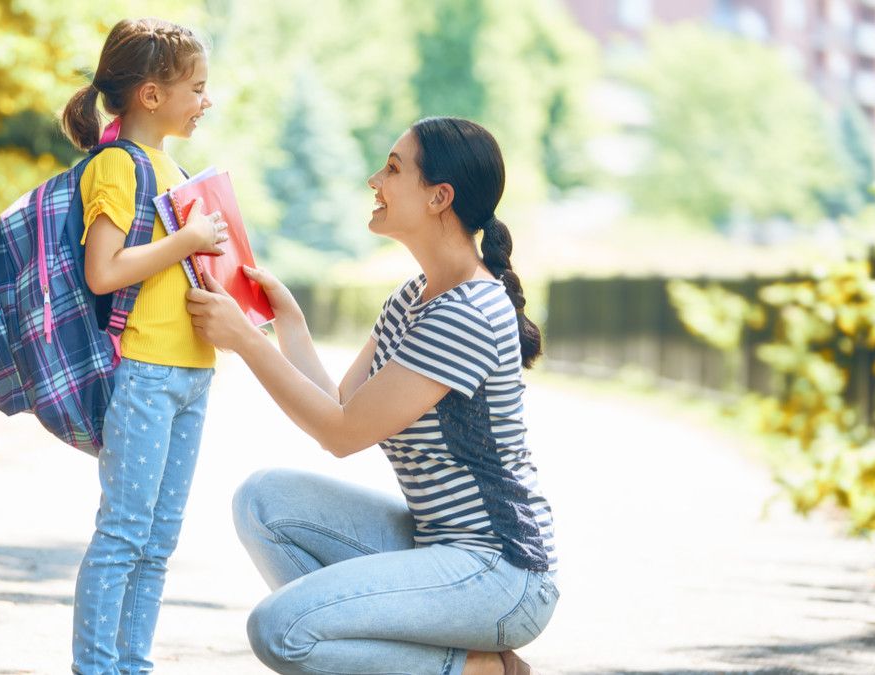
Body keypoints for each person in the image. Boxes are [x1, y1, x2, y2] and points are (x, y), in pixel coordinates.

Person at [186, 117, 558, 675]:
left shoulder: (469, 313)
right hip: (435, 546)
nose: (374, 180)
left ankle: (479, 669)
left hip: (500, 573)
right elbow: (340, 405)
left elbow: (342, 435)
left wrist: (244, 341)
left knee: (281, 629)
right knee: (262, 501)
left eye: (392, 168)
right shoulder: (413, 298)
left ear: (439, 197)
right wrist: (288, 325)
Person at [58, 17, 229, 675]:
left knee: (158, 541)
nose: (206, 100)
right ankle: (97, 667)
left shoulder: (174, 168)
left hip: (192, 371)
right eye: (198, 87)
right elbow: (104, 271)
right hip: (145, 371)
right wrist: (187, 240)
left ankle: (133, 664)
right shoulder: (117, 164)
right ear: (151, 95)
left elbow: (174, 271)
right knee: (124, 532)